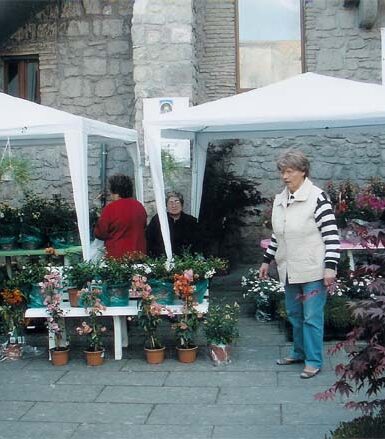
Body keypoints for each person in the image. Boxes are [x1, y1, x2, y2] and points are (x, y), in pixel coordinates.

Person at [259, 150, 340, 379]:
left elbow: (332, 236)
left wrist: (330, 267)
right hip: (289, 270)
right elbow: (278, 234)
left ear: (303, 171)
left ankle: (313, 361)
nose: (285, 176)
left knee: (311, 318)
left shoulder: (318, 198)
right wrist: (267, 260)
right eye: (282, 172)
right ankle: (298, 352)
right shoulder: (280, 199)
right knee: (294, 315)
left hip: (313, 270)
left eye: (289, 171)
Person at [94, 174, 147, 258]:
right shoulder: (139, 206)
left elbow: (100, 233)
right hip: (139, 254)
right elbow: (143, 227)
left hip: (118, 256)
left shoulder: (110, 208)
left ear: (116, 192)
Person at [147, 191, 199, 257]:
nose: (174, 205)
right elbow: (149, 240)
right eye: (170, 202)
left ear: (182, 204)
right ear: (166, 206)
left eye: (177, 202)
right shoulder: (158, 219)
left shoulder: (191, 221)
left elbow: (196, 244)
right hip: (161, 260)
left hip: (185, 261)